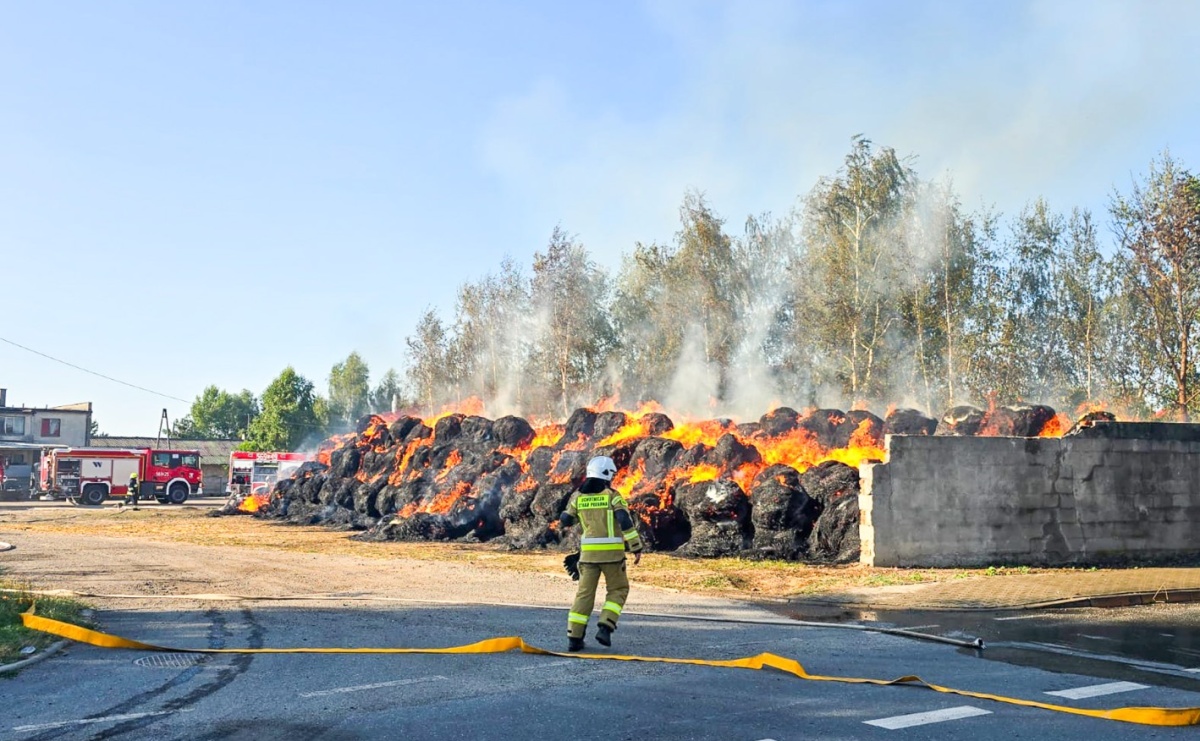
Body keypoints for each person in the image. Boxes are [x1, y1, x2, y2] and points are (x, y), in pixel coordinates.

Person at [559, 455, 644, 652]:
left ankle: (574, 637)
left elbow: (565, 519)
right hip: (612, 557)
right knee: (619, 589)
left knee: (584, 594)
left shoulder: (578, 497)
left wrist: (575, 515)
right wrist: (636, 546)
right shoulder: (612, 496)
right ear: (606, 474)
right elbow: (625, 521)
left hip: (588, 557)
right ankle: (606, 626)